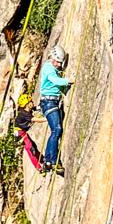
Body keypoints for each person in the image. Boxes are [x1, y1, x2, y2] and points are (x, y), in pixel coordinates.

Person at [38, 45, 71, 176]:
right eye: (57, 62)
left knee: (56, 130)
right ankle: (51, 160)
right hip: (48, 102)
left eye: (60, 63)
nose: (58, 65)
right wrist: (68, 81)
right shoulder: (48, 68)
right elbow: (54, 80)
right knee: (56, 129)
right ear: (52, 58)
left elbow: (56, 84)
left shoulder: (54, 69)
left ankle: (49, 160)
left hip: (51, 101)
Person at [13, 92, 44, 171]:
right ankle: (38, 167)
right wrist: (47, 119)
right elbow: (36, 120)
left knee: (33, 147)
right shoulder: (24, 114)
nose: (32, 102)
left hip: (22, 132)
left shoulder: (29, 110)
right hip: (20, 134)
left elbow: (38, 109)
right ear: (27, 104)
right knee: (30, 148)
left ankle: (42, 160)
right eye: (31, 101)